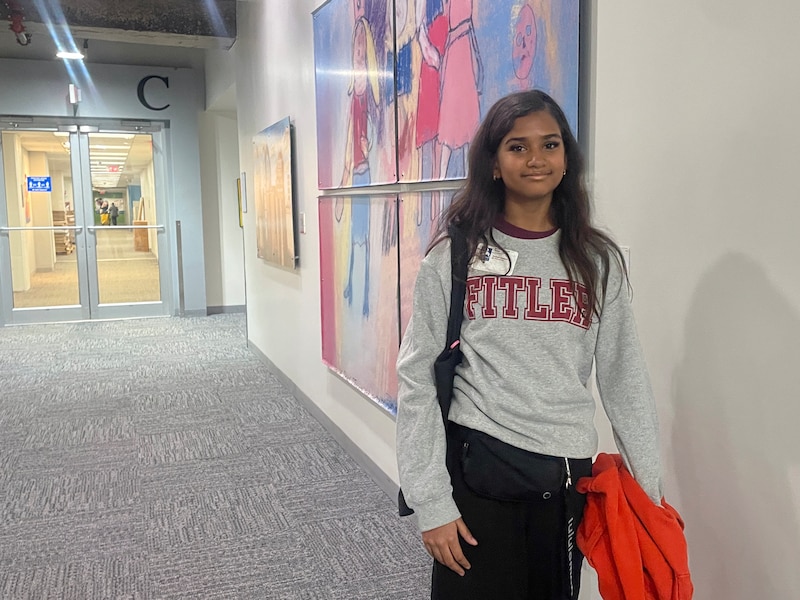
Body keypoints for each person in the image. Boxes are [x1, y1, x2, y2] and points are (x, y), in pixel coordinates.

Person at [396, 89, 662, 600]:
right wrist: (430, 501)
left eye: (550, 145)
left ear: (567, 159)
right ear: (494, 163)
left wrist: (649, 493)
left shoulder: (597, 262)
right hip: (477, 472)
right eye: (518, 147)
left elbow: (625, 378)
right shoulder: (455, 257)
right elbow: (416, 378)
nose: (536, 159)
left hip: (564, 480)